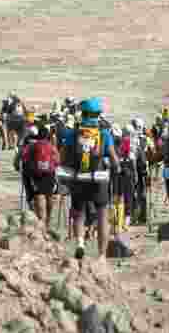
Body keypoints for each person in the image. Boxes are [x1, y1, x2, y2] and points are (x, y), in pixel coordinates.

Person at [60, 98, 119, 261]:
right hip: (99, 178)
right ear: (98, 114)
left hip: (79, 177)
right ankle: (101, 255)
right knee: (102, 215)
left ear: (83, 113)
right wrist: (115, 167)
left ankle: (80, 243)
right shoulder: (104, 133)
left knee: (78, 213)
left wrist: (66, 172)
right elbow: (114, 159)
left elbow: (63, 156)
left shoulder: (73, 133)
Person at [18, 124, 59, 231]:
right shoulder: (51, 146)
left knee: (39, 196)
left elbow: (23, 158)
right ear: (47, 136)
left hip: (36, 175)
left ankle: (41, 222)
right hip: (49, 175)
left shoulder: (31, 146)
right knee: (49, 197)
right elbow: (57, 161)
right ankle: (48, 222)